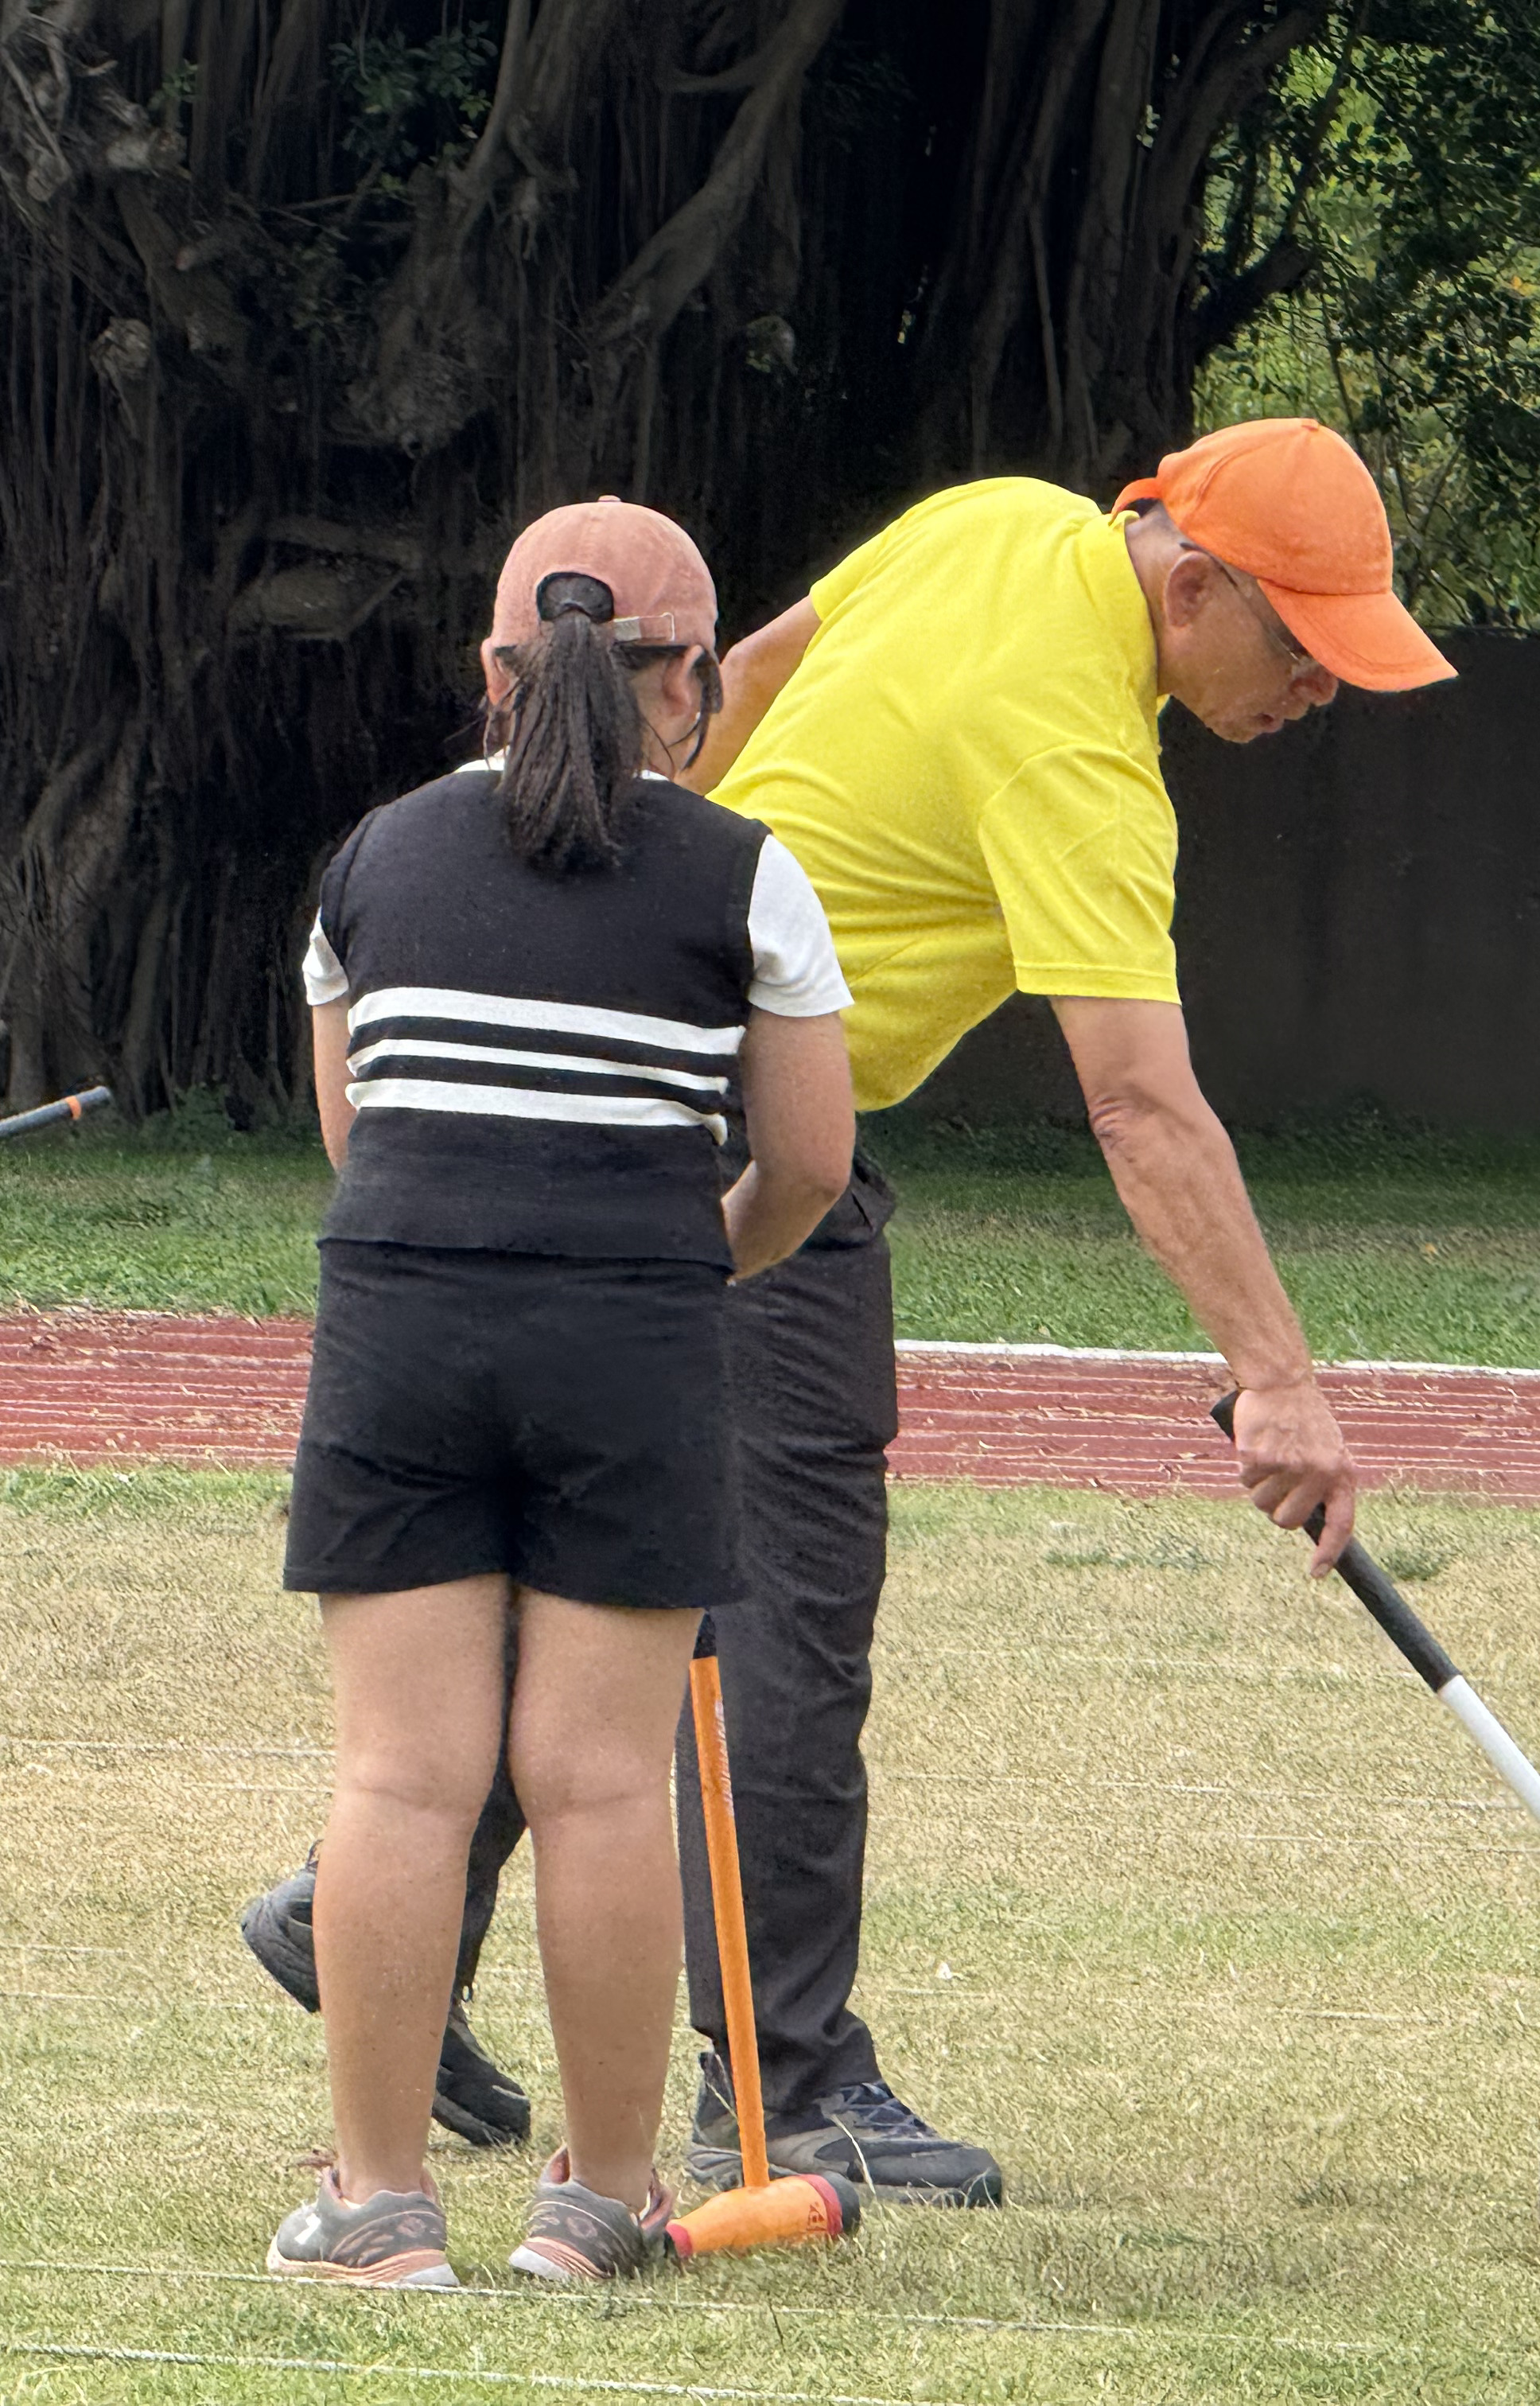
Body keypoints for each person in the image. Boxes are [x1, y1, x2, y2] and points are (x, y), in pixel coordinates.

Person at [243, 419, 1452, 2207]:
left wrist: (626, 866)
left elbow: (753, 659)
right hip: (745, 1135)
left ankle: (365, 1912)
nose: (1320, 694)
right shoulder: (1083, 766)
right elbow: (1140, 1103)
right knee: (777, 1609)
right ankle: (787, 2083)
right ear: (1193, 587)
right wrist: (1279, 1384)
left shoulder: (998, 522)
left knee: (598, 1559)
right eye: (1305, 651)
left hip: (615, 1087)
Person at [267, 501, 855, 2285]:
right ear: (693, 681)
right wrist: (674, 1271)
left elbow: (355, 1136)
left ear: (494, 673)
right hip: (634, 1345)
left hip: (402, 1327)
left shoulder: (371, 857)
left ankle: (376, 2212)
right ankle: (598, 2208)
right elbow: (809, 1167)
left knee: (400, 1776)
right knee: (600, 1785)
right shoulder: (748, 872)